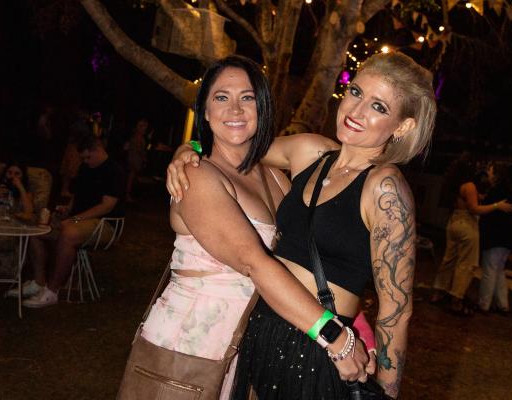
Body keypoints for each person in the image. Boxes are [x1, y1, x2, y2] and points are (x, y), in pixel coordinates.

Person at [168, 51, 436, 399]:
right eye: (355, 92)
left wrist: (384, 393)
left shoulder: (385, 188)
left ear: (403, 126)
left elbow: (396, 312)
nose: (356, 111)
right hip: (259, 333)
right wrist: (188, 149)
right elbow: (234, 144)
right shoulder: (310, 152)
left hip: (322, 349)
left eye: (378, 107)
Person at [124, 55, 370, 399]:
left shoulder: (276, 179)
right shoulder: (196, 175)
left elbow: (304, 260)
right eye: (221, 97)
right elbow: (254, 262)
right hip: (190, 347)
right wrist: (336, 337)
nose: (235, 109)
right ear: (205, 111)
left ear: (262, 107)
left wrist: (356, 326)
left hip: (252, 347)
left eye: (248, 97)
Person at [19, 135, 125, 307]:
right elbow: (77, 195)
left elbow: (107, 206)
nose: (85, 161)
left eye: (87, 157)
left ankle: (52, 292)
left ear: (98, 149)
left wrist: (75, 219)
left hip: (104, 224)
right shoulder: (85, 168)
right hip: (78, 220)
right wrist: (68, 210)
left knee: (69, 234)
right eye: (83, 158)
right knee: (37, 230)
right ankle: (38, 283)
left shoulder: (114, 170)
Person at [431, 155, 512, 315]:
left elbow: (468, 201)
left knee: (449, 260)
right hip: (466, 225)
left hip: (454, 222)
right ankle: (456, 298)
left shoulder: (455, 184)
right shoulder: (469, 186)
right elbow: (474, 209)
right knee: (466, 264)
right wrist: (497, 206)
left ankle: (438, 292)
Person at [477, 162, 512, 315]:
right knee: (499, 270)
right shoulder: (510, 192)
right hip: (507, 240)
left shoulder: (496, 192)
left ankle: (484, 303)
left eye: (490, 171)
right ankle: (503, 304)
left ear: (496, 175)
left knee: (489, 270)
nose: (488, 174)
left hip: (494, 238)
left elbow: (486, 212)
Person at [0, 161, 35, 270]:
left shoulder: (25, 192)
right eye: (9, 173)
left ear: (22, 176)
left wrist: (20, 187)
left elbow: (29, 212)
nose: (12, 176)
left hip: (6, 224)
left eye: (17, 174)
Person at [124, 117, 149, 202]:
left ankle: (129, 194)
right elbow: (139, 149)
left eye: (145, 126)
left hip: (133, 158)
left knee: (131, 177)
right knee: (131, 178)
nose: (144, 128)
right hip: (134, 159)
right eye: (142, 126)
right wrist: (144, 158)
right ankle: (127, 195)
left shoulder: (136, 136)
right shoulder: (138, 137)